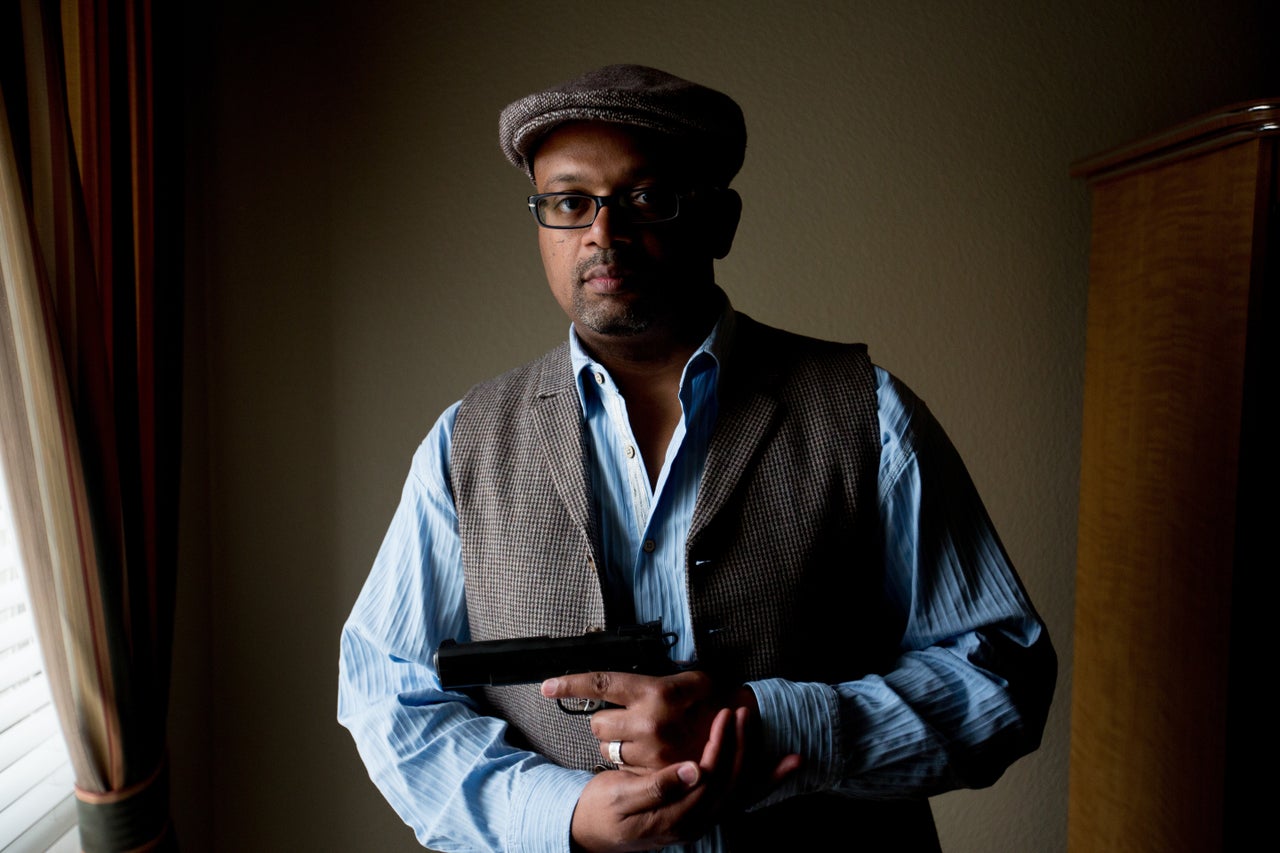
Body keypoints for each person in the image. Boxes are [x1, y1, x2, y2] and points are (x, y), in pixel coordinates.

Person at [338, 64, 1056, 853]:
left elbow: (1003, 675)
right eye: (570, 202)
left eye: (646, 198)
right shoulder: (463, 441)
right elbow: (388, 691)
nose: (603, 235)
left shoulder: (870, 415)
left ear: (721, 221)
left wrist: (770, 722)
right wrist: (558, 813)